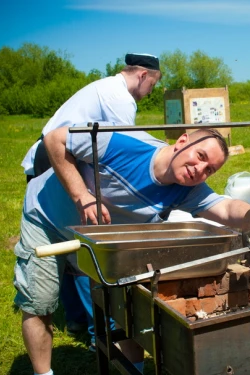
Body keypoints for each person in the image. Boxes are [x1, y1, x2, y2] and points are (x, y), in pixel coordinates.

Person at [13, 124, 250, 375]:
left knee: (125, 305)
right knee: (40, 301)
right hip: (48, 219)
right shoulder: (123, 146)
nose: (200, 170)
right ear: (183, 140)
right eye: (200, 156)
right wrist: (82, 195)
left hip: (105, 237)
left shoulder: (187, 189)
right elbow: (54, 140)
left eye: (209, 169)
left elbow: (225, 209)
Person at [20, 53, 162, 349]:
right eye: (154, 83)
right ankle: (100, 329)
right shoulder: (119, 97)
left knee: (66, 243)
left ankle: (75, 319)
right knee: (86, 244)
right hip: (58, 162)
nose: (152, 91)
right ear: (143, 75)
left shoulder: (104, 87)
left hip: (51, 160)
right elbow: (129, 147)